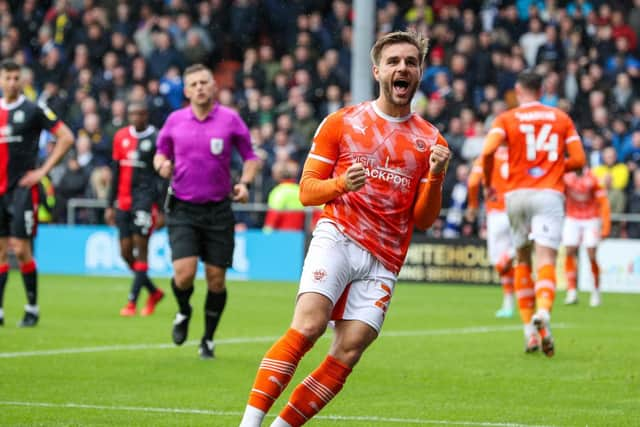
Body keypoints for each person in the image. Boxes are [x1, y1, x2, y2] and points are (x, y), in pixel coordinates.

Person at [239, 31, 450, 427]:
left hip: (385, 259)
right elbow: (305, 191)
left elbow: (422, 219)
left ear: (419, 72)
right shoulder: (343, 122)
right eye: (394, 62)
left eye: (410, 62)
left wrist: (436, 175)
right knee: (309, 326)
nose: (402, 68)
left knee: (349, 350)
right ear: (377, 71)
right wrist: (340, 185)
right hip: (339, 234)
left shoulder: (430, 140)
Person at [154, 64, 259, 359]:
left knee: (216, 279)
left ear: (213, 87)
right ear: (186, 91)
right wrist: (161, 164)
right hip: (183, 209)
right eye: (194, 84)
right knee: (184, 274)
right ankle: (184, 310)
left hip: (218, 210)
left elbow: (250, 157)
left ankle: (208, 339)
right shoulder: (174, 121)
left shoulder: (230, 120)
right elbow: (160, 152)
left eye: (204, 82)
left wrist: (245, 183)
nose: (200, 88)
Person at [481, 70, 586, 357]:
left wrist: (490, 181)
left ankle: (529, 331)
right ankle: (543, 312)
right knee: (546, 258)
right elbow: (579, 160)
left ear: (518, 89)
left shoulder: (506, 118)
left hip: (515, 195)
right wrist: (552, 168)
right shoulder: (561, 118)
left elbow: (488, 152)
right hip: (548, 194)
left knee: (522, 259)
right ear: (543, 89)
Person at [0, 59, 74, 327]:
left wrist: (42, 172)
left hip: (22, 190)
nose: (11, 83)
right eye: (7, 78)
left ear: (22, 81)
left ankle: (32, 307)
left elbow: (66, 137)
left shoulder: (33, 110)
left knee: (20, 250)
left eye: (15, 78)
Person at [105, 101, 166, 317]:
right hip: (122, 202)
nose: (135, 118)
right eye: (132, 114)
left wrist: (162, 209)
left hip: (145, 202)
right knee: (125, 253)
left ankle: (131, 303)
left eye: (139, 114)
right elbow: (115, 172)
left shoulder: (156, 138)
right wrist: (109, 204)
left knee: (142, 251)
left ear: (146, 115)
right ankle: (154, 292)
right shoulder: (120, 136)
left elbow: (162, 177)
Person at [466, 147, 515, 318]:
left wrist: (472, 205)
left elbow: (473, 182)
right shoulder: (518, 152)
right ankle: (510, 303)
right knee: (514, 261)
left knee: (499, 261)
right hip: (518, 208)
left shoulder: (486, 156)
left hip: (497, 213)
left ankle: (509, 302)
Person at [562, 166, 610, 307]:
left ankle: (595, 291)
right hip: (572, 217)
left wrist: (605, 226)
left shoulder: (593, 178)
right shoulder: (566, 178)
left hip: (591, 218)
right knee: (569, 250)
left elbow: (603, 202)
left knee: (591, 254)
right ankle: (571, 291)